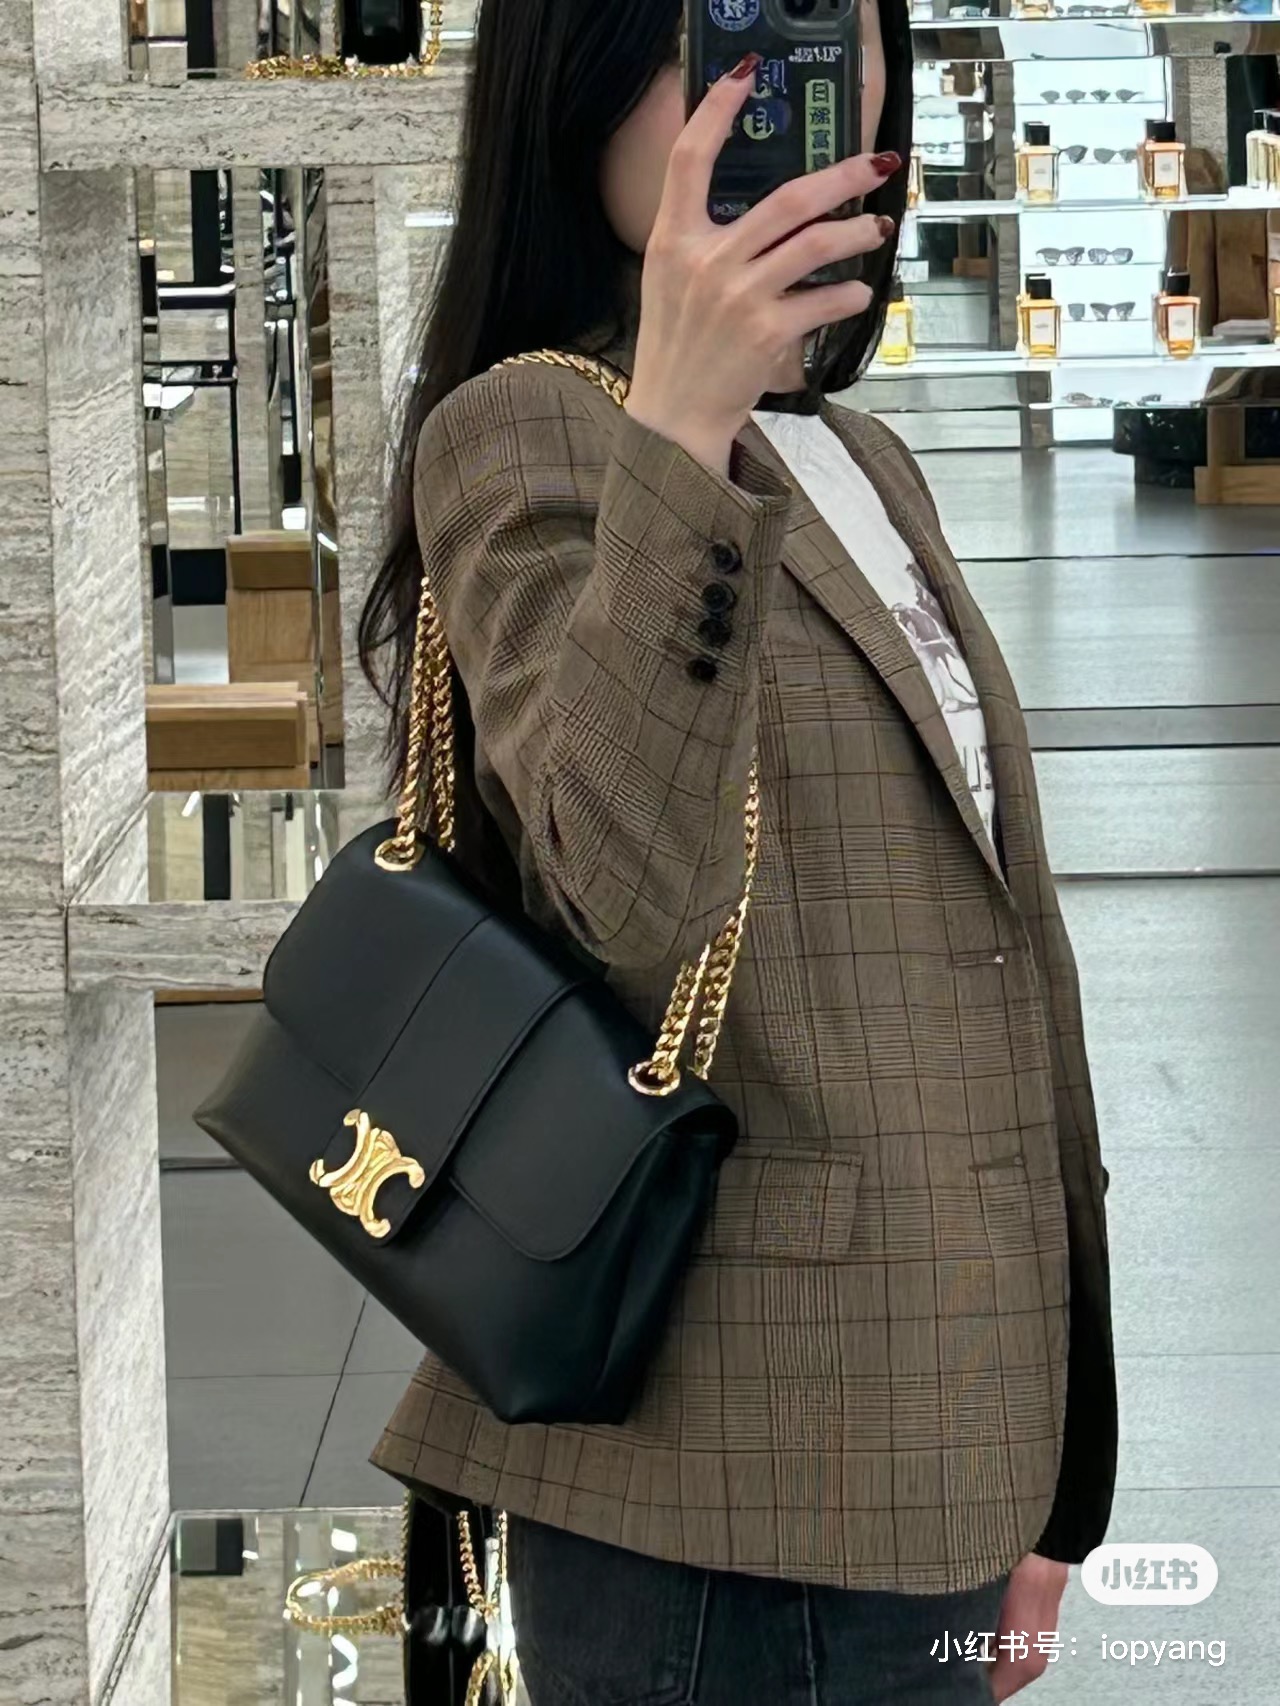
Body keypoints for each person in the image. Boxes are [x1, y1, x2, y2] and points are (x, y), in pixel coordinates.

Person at [359, 2, 1117, 1700]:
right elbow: (628, 892)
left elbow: (979, 974)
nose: (776, 95)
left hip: (939, 1437)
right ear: (577, 77)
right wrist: (682, 426)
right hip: (721, 1490)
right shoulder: (533, 431)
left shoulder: (865, 460)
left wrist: (1050, 1470)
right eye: (720, 35)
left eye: (829, 34)